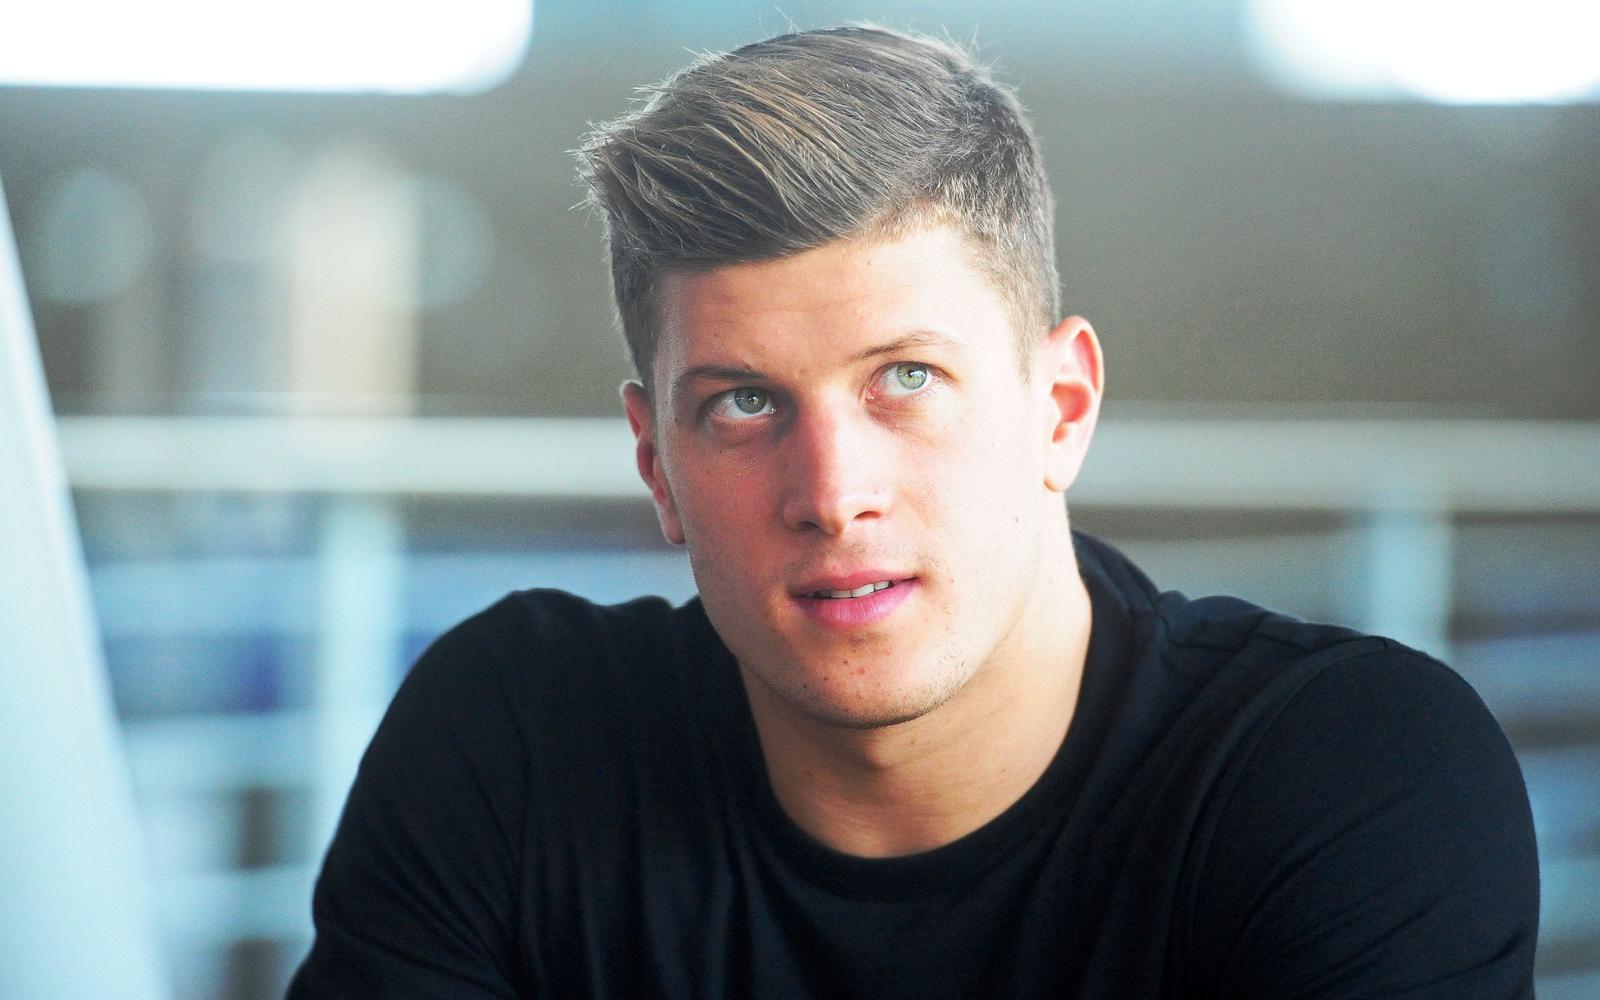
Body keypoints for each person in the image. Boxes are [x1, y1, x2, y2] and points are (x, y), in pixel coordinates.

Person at [288, 25, 1539, 999]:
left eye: (907, 378)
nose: (834, 495)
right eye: (741, 404)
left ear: (1059, 407)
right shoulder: (512, 743)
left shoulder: (1347, 774)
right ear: (656, 463)